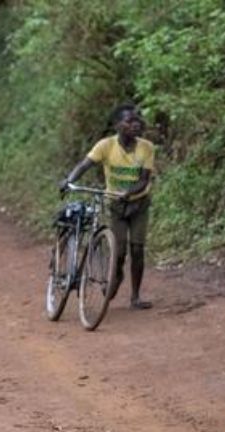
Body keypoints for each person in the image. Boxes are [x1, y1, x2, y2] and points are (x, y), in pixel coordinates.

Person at [60, 104, 156, 310]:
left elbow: (144, 180)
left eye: (137, 120)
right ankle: (116, 276)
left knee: (137, 249)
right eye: (129, 121)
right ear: (117, 125)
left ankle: (135, 297)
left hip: (138, 204)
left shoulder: (146, 147)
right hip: (116, 205)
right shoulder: (106, 146)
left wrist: (128, 193)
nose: (135, 124)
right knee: (119, 251)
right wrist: (69, 180)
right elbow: (85, 165)